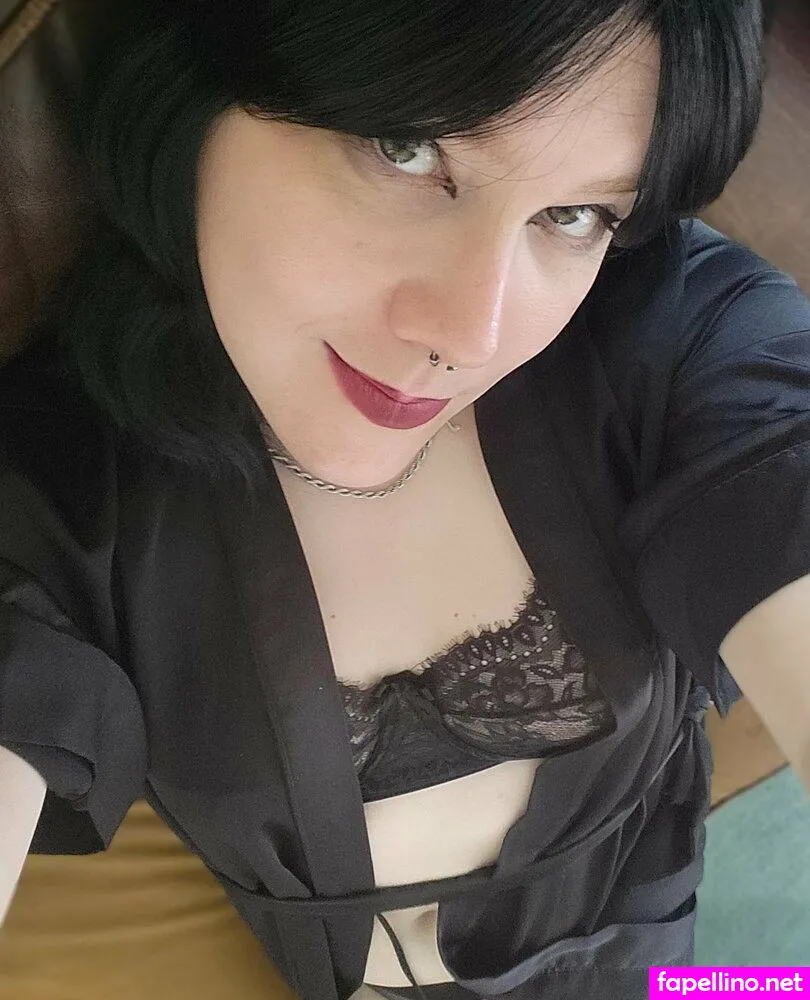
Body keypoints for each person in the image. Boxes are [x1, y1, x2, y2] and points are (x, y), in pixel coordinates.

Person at [1, 0, 808, 998]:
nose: (473, 334)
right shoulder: (57, 475)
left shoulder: (681, 332)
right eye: (407, 148)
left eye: (575, 215)